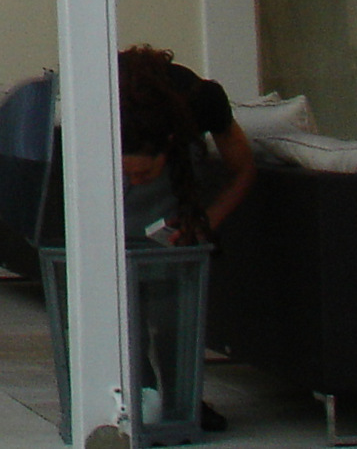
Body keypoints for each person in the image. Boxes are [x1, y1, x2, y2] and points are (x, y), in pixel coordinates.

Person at [119, 47, 257, 435]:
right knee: (123, 301)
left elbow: (244, 169)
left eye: (142, 174)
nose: (134, 182)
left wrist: (204, 224)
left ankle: (182, 401)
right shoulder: (101, 99)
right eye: (127, 174)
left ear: (168, 144)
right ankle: (136, 396)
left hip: (178, 184)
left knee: (173, 299)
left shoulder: (203, 100)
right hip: (117, 154)